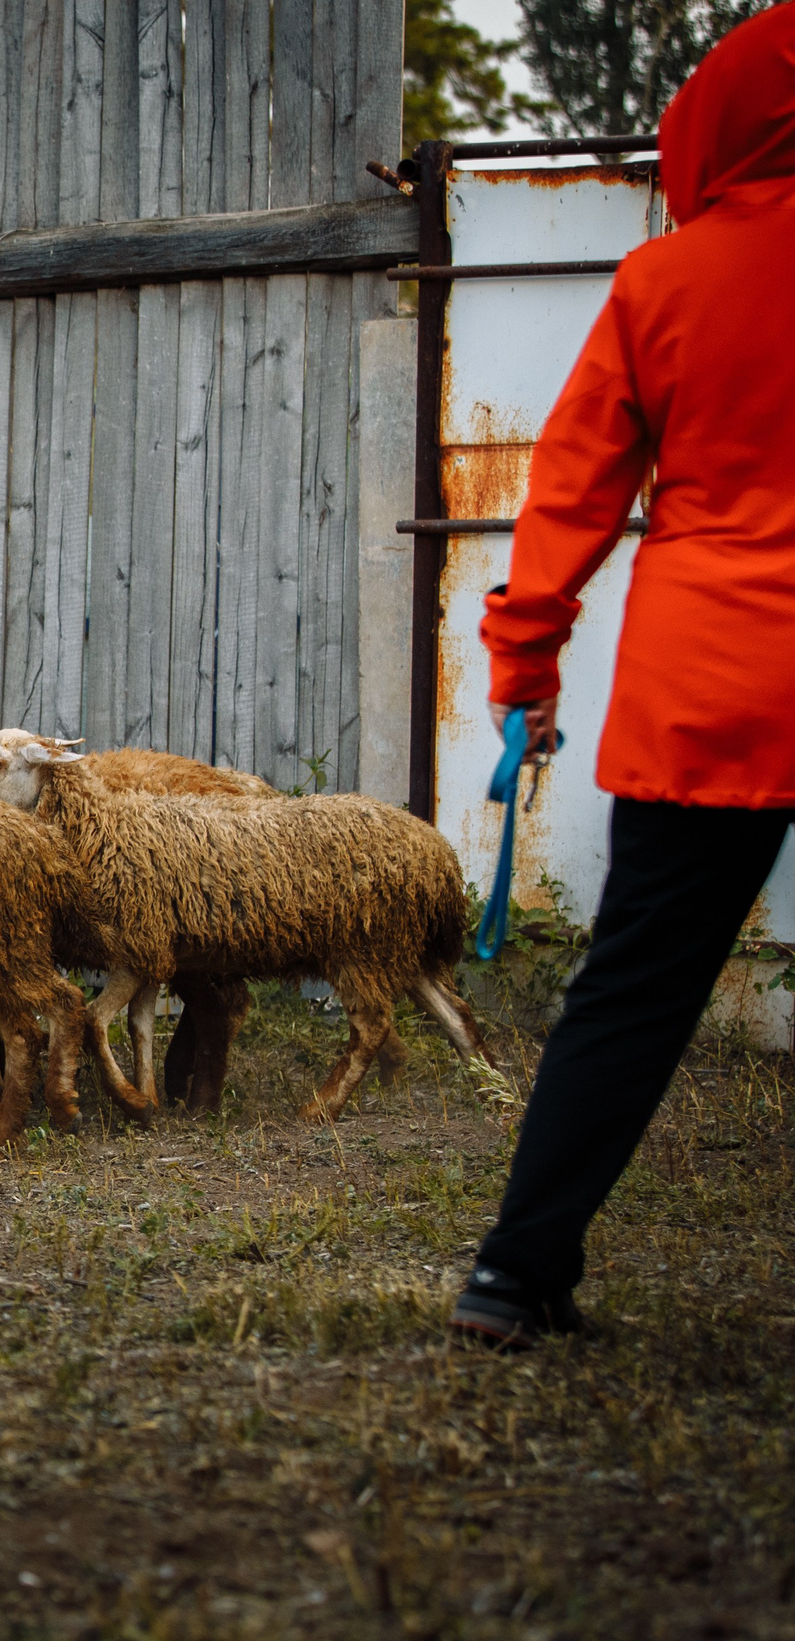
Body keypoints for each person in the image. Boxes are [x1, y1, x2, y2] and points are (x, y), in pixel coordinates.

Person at [450, 6, 795, 1350]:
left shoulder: (662, 280)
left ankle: (514, 1273)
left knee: (636, 986)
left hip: (708, 680)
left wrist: (524, 660)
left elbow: (573, 496)